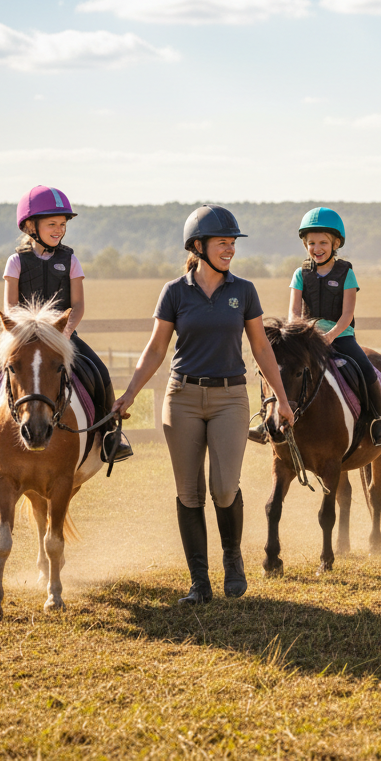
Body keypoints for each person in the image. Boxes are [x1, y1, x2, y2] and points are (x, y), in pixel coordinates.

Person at [111, 205, 295, 605]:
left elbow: (261, 347)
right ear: (198, 246)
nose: (230, 249)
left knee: (224, 487)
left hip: (231, 397)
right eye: (222, 243)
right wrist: (129, 393)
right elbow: (157, 348)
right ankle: (199, 583)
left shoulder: (243, 291)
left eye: (233, 243)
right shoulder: (175, 292)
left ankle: (232, 559)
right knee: (188, 492)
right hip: (183, 398)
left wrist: (281, 399)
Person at [0, 185, 133, 463]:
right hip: (21, 337)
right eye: (52, 224)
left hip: (61, 336)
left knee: (98, 370)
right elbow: (10, 306)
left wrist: (62, 335)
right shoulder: (16, 261)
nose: (59, 229)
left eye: (63, 224)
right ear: (31, 226)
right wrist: (21, 333)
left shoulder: (71, 261)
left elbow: (77, 306)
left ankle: (108, 434)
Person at [255, 207, 381, 447]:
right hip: (306, 337)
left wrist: (329, 336)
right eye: (311, 243)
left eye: (323, 243)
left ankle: (378, 420)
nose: (316, 249)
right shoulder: (300, 274)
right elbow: (294, 313)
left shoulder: (346, 273)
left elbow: (347, 314)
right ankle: (266, 419)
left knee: (366, 369)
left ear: (335, 243)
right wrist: (301, 335)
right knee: (276, 366)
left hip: (340, 335)